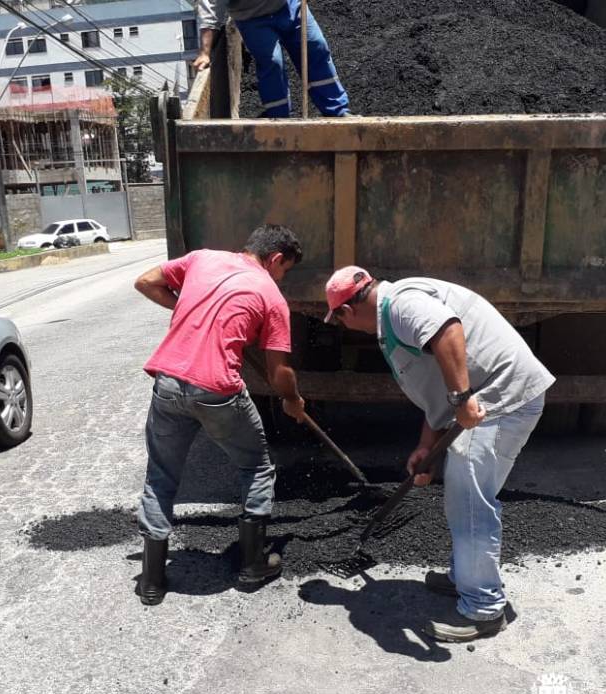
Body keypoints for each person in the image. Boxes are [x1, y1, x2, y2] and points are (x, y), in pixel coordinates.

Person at [323, 267, 555, 642]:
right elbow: (434, 384)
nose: (345, 327)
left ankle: (484, 608)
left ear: (347, 311)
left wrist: (462, 400)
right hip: (493, 399)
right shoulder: (393, 314)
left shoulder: (402, 305)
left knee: (470, 503)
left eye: (340, 321)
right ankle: (465, 576)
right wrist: (426, 445)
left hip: (502, 399)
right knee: (463, 497)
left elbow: (448, 330)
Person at [132, 224, 307, 606]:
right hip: (217, 391)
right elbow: (279, 371)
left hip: (167, 383)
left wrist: (191, 311)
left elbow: (145, 281)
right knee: (256, 467)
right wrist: (292, 399)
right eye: (285, 269)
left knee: (160, 476)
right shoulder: (270, 295)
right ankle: (252, 565)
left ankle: (151, 580)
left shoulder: (202, 259)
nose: (282, 277)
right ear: (275, 258)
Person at [195, 0, 351, 118]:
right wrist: (205, 52)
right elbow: (210, 7)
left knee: (316, 46)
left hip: (289, 6)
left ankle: (337, 110)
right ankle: (279, 118)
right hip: (252, 18)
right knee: (272, 62)